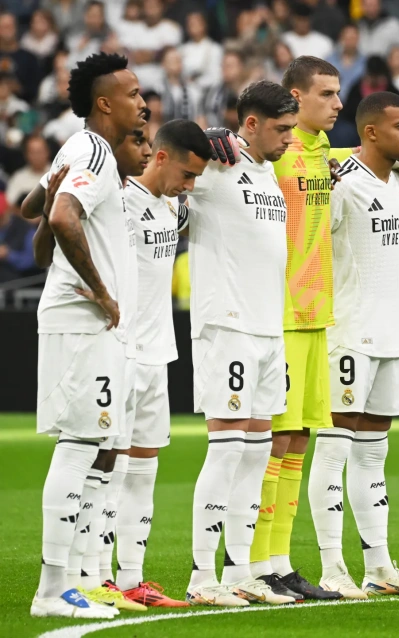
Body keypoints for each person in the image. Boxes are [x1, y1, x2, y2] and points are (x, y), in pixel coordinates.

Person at [30, 51, 147, 619]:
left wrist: (50, 195)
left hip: (81, 324)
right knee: (79, 448)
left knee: (92, 448)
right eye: (133, 94)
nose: (142, 103)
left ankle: (72, 581)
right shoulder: (96, 151)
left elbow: (35, 207)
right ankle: (52, 590)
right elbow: (60, 217)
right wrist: (102, 291)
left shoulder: (75, 148)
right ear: (105, 103)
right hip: (83, 321)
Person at [313, 91, 399, 598]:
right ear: (370, 132)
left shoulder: (397, 181)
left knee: (373, 455)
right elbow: (311, 248)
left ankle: (379, 567)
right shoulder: (340, 184)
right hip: (349, 333)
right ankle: (331, 567)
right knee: (334, 452)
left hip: (393, 333)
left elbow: (389, 255)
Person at [184, 80, 298, 607]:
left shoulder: (267, 171)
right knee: (227, 450)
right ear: (250, 124)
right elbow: (167, 148)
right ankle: (201, 577)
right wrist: (208, 135)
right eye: (281, 129)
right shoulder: (216, 162)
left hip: (268, 329)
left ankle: (241, 571)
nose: (289, 138)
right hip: (227, 324)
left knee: (257, 455)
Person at [247, 56, 347, 602]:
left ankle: (280, 561)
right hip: (279, 313)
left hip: (316, 313)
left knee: (299, 439)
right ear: (295, 96)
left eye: (338, 93)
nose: (337, 104)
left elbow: (361, 154)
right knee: (273, 440)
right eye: (326, 94)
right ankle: (255, 562)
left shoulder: (323, 149)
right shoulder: (273, 153)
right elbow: (230, 149)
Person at [109, 120, 211, 607]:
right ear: (162, 157)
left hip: (157, 353)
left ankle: (132, 580)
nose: (190, 186)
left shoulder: (172, 206)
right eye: (187, 175)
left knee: (144, 470)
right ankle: (95, 576)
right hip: (119, 351)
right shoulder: (118, 200)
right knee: (108, 470)